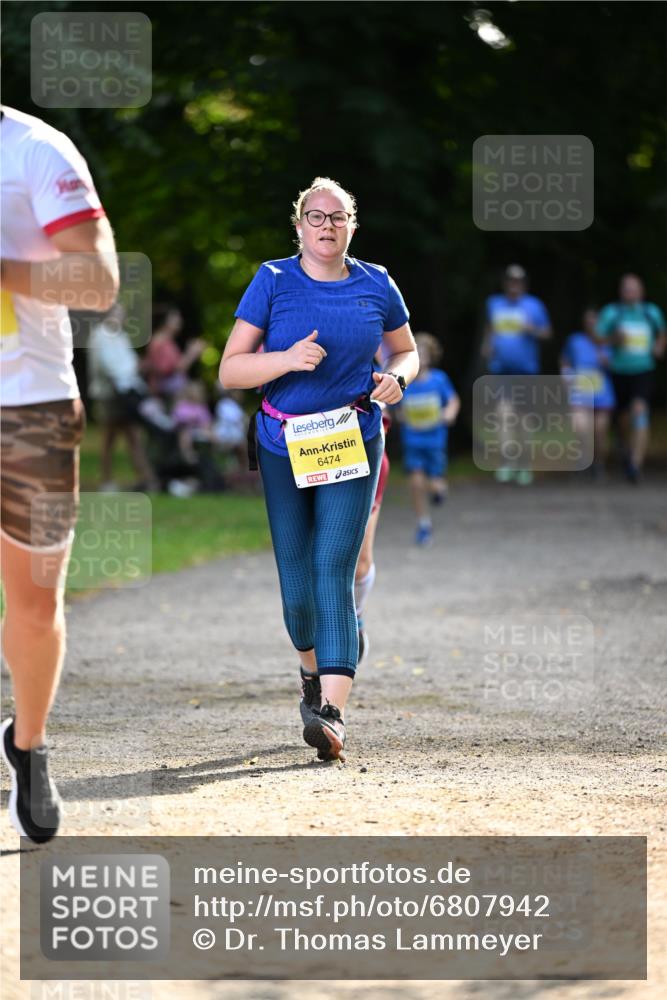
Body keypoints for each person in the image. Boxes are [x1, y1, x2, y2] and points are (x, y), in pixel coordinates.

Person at [220, 176, 418, 761]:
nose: (326, 225)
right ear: (299, 225)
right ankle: (312, 675)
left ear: (351, 224)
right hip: (283, 444)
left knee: (333, 569)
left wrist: (396, 378)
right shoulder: (273, 280)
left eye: (337, 217)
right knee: (297, 584)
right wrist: (285, 359)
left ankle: (331, 714)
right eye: (315, 216)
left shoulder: (376, 283)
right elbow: (231, 371)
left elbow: (406, 349)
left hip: (351, 437)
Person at [0, 106, 119, 842]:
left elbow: (99, 281)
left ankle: (29, 742)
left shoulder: (35, 150)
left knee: (35, 604)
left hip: (29, 408)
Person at [481, 264, 552, 485]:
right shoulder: (494, 303)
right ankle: (507, 461)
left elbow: (547, 332)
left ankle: (524, 464)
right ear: (505, 283)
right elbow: (490, 328)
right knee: (503, 415)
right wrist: (486, 345)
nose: (514, 285)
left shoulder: (534, 305)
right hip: (501, 369)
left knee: (523, 420)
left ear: (524, 284)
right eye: (510, 281)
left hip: (526, 371)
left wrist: (533, 329)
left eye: (518, 281)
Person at [595, 274, 666, 483]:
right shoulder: (612, 312)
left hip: (643, 370)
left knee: (639, 410)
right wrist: (613, 339)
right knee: (623, 420)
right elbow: (598, 338)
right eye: (627, 289)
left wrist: (659, 346)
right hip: (617, 372)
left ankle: (635, 464)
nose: (631, 292)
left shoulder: (650, 312)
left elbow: (662, 332)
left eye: (634, 288)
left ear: (641, 291)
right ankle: (625, 451)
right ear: (621, 291)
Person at [88, 302, 160, 492]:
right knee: (111, 438)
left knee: (131, 436)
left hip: (126, 394)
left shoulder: (121, 336)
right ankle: (110, 480)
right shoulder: (99, 337)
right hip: (109, 395)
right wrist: (132, 369)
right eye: (117, 314)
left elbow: (130, 363)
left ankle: (146, 478)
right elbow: (107, 366)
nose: (120, 318)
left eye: (122, 314)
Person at [398, 333, 460, 545]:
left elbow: (452, 400)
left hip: (435, 442)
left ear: (431, 355)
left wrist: (449, 413)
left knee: (435, 485)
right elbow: (397, 410)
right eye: (417, 351)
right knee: (415, 483)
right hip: (413, 442)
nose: (421, 356)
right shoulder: (405, 381)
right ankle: (424, 524)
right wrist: (402, 416)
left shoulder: (439, 379)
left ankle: (438, 491)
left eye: (424, 352)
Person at [560, 309, 615, 478]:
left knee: (599, 433)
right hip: (579, 393)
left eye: (594, 322)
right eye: (588, 322)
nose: (591, 325)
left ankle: (598, 464)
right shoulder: (574, 341)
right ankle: (583, 459)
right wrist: (566, 375)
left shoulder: (607, 343)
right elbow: (565, 360)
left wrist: (604, 357)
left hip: (602, 394)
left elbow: (615, 365)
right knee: (580, 428)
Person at [143, 304, 205, 401]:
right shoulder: (159, 341)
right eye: (175, 317)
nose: (179, 320)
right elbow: (166, 369)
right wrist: (192, 353)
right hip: (165, 393)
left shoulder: (167, 341)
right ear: (165, 321)